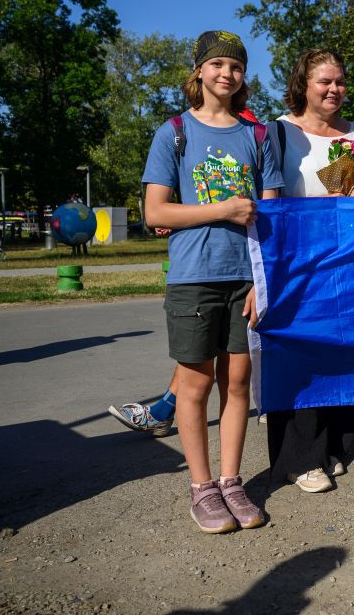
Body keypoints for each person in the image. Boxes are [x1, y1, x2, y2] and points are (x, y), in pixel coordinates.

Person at [142, 30, 283, 532]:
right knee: (196, 385)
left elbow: (271, 214)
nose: (227, 73)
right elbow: (154, 210)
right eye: (218, 64)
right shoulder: (174, 132)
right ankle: (201, 488)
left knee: (238, 383)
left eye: (236, 66)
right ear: (199, 72)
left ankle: (231, 482)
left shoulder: (258, 135)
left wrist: (263, 284)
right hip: (194, 279)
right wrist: (222, 208)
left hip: (246, 278)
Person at [265, 49, 354, 494]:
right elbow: (270, 194)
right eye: (324, 81)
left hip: (346, 259)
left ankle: (332, 445)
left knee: (340, 352)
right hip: (296, 259)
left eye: (340, 81)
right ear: (303, 84)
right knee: (299, 358)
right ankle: (299, 458)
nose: (334, 89)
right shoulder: (278, 131)